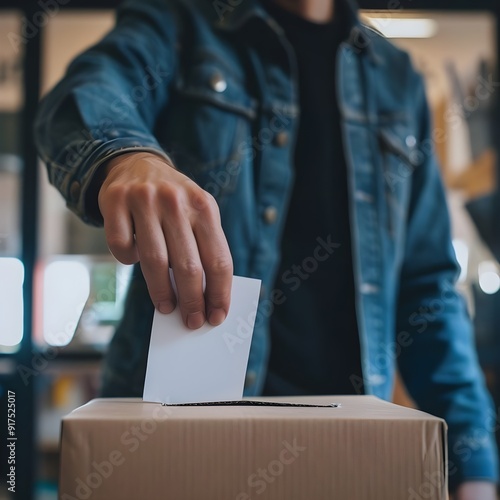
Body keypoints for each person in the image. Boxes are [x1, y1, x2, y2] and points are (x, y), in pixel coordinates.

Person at [35, 0, 498, 497]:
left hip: (353, 454)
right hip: (180, 448)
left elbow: (426, 287)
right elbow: (85, 91)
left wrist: (473, 462)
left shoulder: (394, 76)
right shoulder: (181, 24)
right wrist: (125, 156)